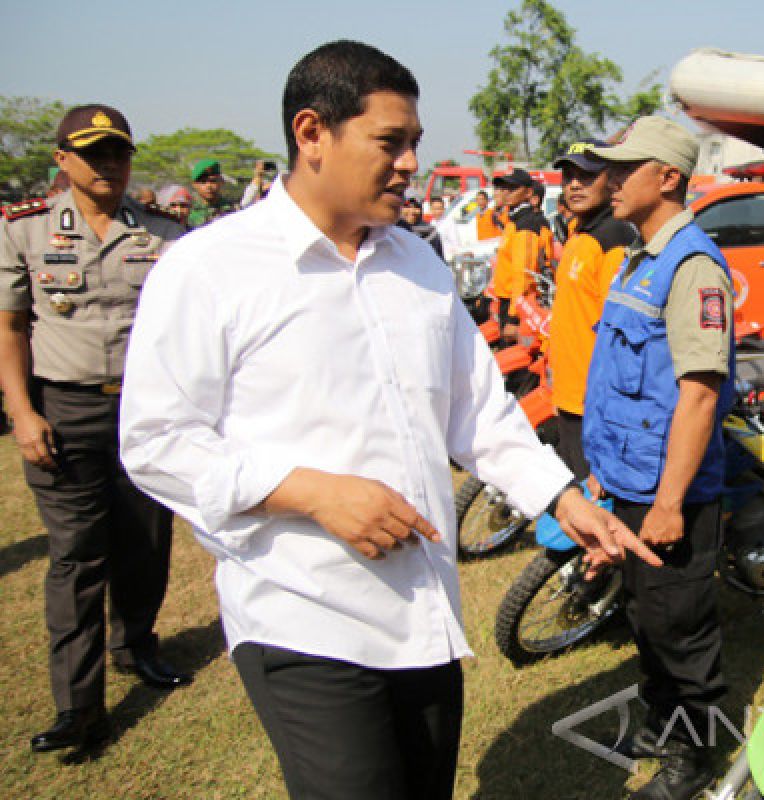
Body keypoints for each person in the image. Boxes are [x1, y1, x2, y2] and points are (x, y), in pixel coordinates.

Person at [118, 40, 660, 800]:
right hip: (302, 614)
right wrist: (309, 490)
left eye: (415, 144)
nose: (409, 163)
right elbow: (155, 442)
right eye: (389, 141)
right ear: (312, 134)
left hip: (422, 609)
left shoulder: (416, 263)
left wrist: (562, 498)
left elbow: (479, 412)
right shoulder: (210, 268)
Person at [0, 103, 191, 755]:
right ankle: (79, 709)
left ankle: (135, 644)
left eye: (119, 152)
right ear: (62, 161)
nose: (110, 163)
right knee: (77, 557)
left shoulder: (165, 232)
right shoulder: (23, 231)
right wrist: (23, 413)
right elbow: (10, 329)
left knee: (144, 541)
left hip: (146, 411)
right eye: (94, 152)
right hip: (65, 410)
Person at [582, 116, 736, 800]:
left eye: (624, 168)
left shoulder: (693, 265)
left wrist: (670, 503)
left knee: (681, 634)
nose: (608, 182)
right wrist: (602, 475)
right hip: (630, 480)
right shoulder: (638, 257)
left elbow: (699, 396)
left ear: (668, 177)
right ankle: (658, 728)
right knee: (645, 620)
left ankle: (695, 759)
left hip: (672, 490)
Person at [547, 138, 636, 479]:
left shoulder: (612, 239)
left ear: (611, 179)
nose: (573, 185)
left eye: (586, 176)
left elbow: (619, 332)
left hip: (594, 402)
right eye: (567, 176)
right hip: (571, 395)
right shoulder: (580, 233)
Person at [491, 168, 550, 340]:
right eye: (504, 188)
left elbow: (523, 276)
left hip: (516, 305)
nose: (506, 192)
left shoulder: (526, 224)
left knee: (515, 361)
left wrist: (514, 318)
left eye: (513, 188)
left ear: (528, 192)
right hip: (506, 300)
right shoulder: (514, 220)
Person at [188, 158, 236, 227]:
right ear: (194, 185)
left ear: (221, 182)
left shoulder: (233, 209)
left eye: (213, 181)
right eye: (203, 182)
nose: (209, 186)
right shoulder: (187, 211)